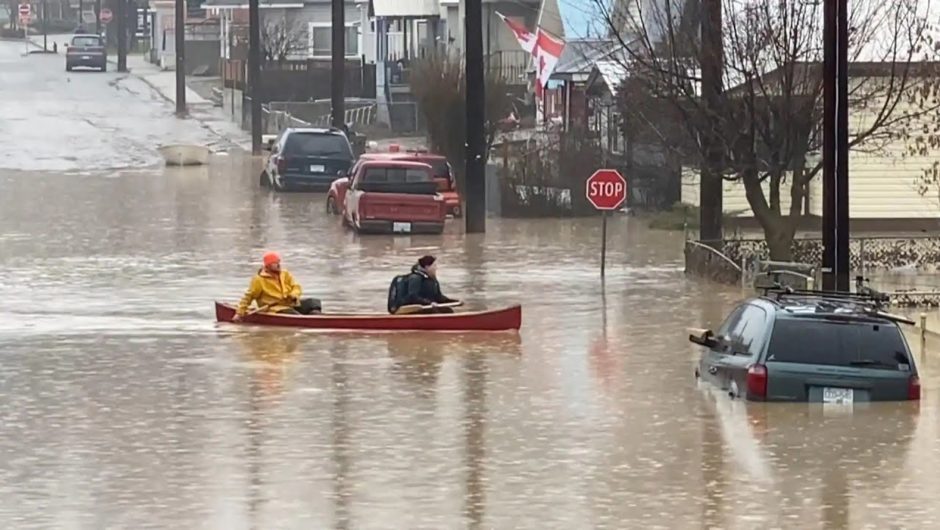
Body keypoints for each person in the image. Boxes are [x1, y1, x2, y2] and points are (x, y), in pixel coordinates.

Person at [234, 252, 321, 321]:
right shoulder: (259, 280)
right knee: (292, 314)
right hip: (275, 308)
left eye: (278, 262)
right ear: (268, 265)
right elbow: (248, 296)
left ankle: (317, 318)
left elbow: (296, 287)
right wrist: (239, 313)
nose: (278, 265)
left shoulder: (285, 274)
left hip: (290, 303)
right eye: (275, 263)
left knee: (313, 302)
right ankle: (309, 321)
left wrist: (294, 295)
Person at [389, 255, 460, 314]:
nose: (436, 268)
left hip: (427, 306)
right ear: (427, 267)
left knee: (447, 310)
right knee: (435, 312)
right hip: (412, 308)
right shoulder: (415, 278)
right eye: (434, 265)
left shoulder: (432, 280)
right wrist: (429, 303)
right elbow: (413, 296)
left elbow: (438, 297)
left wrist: (454, 301)